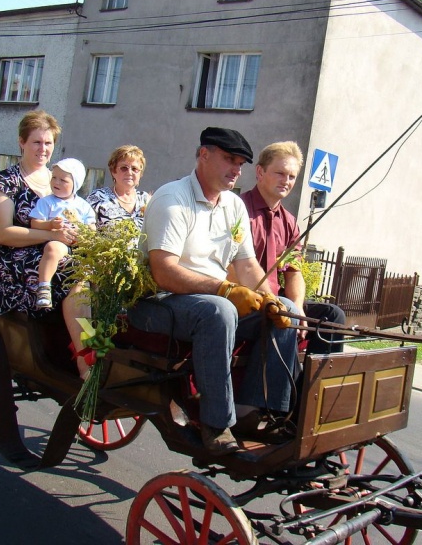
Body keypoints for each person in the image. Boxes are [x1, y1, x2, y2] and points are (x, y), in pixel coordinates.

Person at [128, 127, 300, 456]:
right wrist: (224, 289)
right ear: (204, 155)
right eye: (229, 160)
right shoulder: (172, 198)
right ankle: (216, 424)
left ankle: (257, 412)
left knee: (285, 310)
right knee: (219, 311)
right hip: (158, 303)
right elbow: (164, 273)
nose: (236, 169)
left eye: (241, 163)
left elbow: (248, 266)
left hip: (206, 300)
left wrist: (271, 301)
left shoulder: (233, 206)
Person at [0, 110, 90, 378]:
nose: (43, 149)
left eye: (48, 143)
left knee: (97, 276)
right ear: (22, 142)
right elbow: (4, 234)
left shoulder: (61, 179)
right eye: (37, 142)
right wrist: (52, 236)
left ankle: (95, 347)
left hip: (59, 253)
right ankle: (84, 360)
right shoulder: (5, 182)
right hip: (15, 260)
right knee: (72, 275)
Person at [240, 141, 347, 354]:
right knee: (284, 311)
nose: (286, 181)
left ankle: (313, 385)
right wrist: (284, 307)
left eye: (292, 177)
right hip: (248, 298)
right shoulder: (239, 210)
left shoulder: (289, 222)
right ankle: (283, 386)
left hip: (279, 300)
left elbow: (293, 272)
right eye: (280, 173)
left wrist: (298, 306)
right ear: (260, 172)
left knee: (332, 315)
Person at [29, 158, 96, 311]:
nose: (56, 182)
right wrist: (50, 225)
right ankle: (44, 288)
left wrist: (84, 233)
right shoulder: (47, 202)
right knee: (53, 248)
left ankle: (99, 294)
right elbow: (34, 223)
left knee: (96, 259)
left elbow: (91, 227)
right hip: (58, 242)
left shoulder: (83, 206)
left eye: (63, 180)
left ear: (75, 185)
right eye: (54, 178)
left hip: (78, 245)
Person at [87, 145, 150, 229]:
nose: (129, 172)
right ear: (113, 171)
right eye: (124, 168)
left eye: (134, 169)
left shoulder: (147, 200)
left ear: (140, 174)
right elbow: (84, 231)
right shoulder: (97, 197)